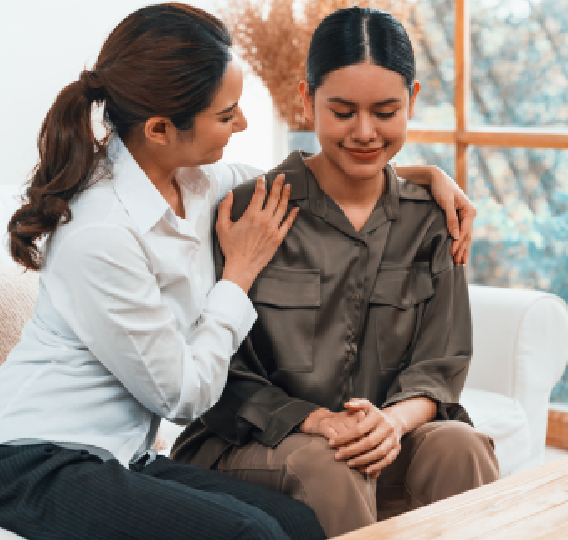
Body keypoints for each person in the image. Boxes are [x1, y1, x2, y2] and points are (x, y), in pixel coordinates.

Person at [0, 4, 475, 540]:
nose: (244, 123)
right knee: (255, 535)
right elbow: (182, 397)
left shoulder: (198, 182)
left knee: (296, 522)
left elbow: (311, 182)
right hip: (36, 460)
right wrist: (239, 276)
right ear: (160, 128)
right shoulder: (102, 233)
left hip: (120, 454)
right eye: (227, 116)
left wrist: (421, 176)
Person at [170, 7, 499, 538]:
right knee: (332, 460)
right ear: (307, 100)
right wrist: (320, 421)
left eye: (386, 111)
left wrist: (390, 423)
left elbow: (440, 365)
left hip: (385, 440)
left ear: (412, 101)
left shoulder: (435, 219)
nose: (365, 132)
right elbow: (223, 378)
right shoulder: (249, 212)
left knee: (459, 446)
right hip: (261, 445)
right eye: (342, 111)